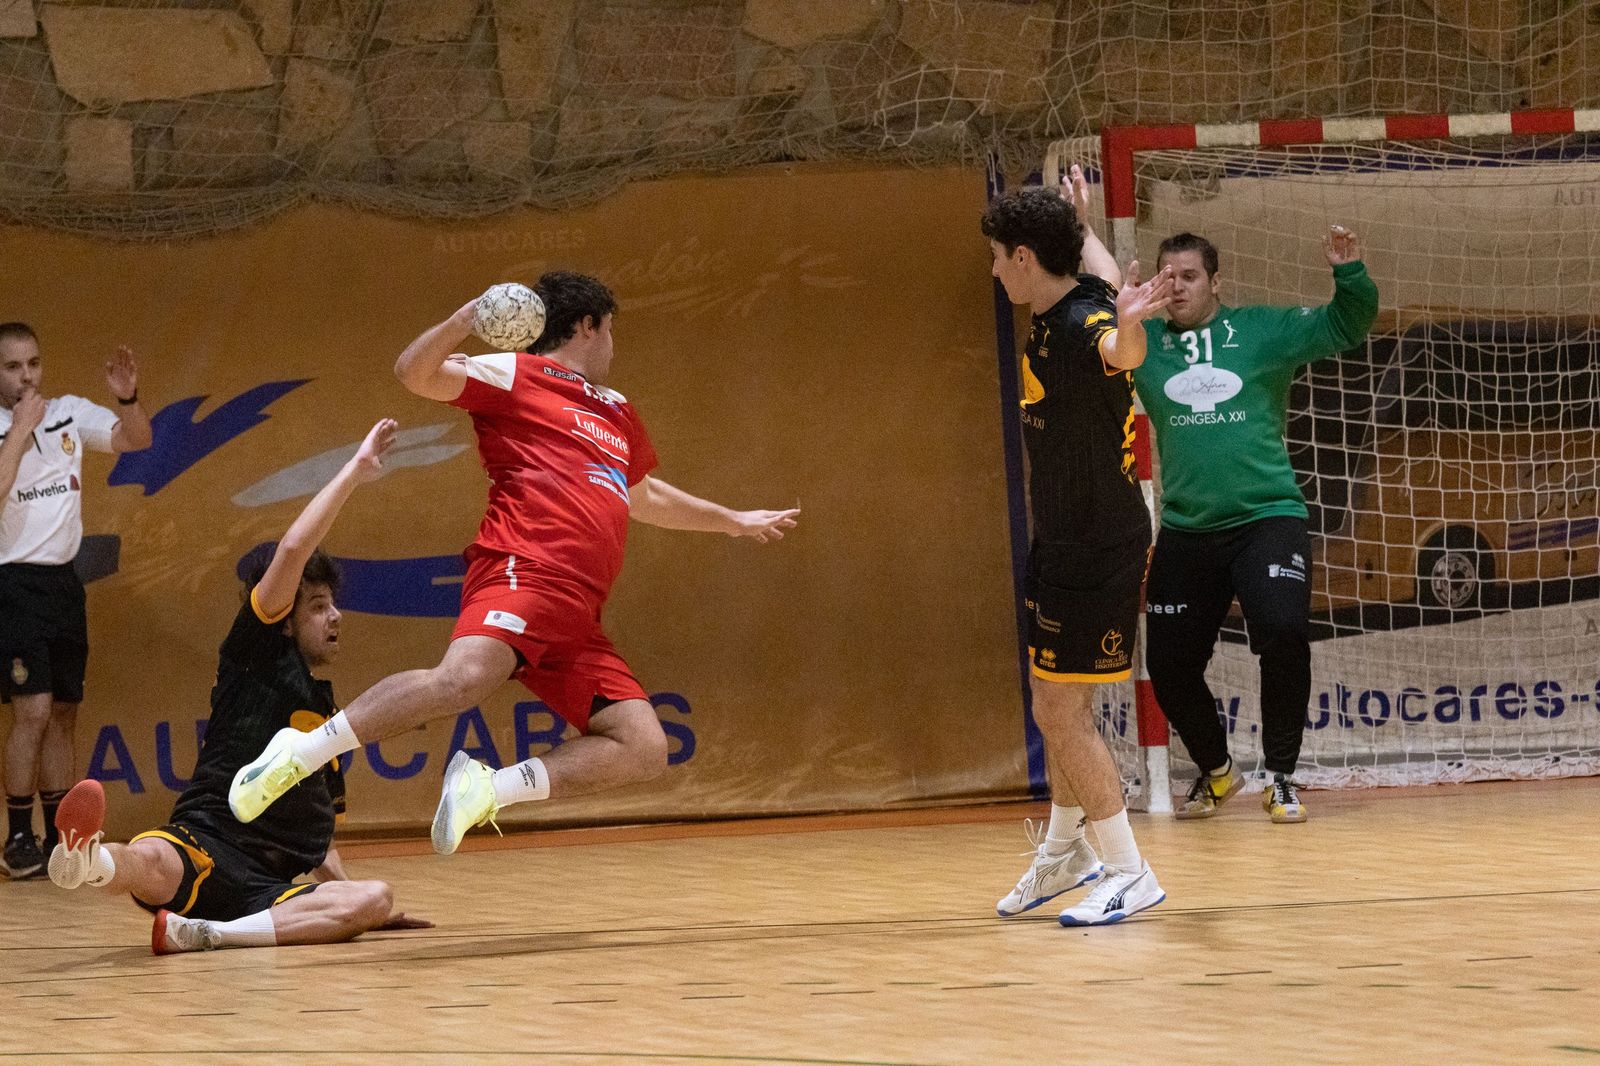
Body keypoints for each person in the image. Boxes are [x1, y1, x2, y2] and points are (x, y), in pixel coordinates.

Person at [228, 271, 800, 854]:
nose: (612, 348)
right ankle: (301, 753)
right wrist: (463, 322)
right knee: (462, 679)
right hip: (523, 568)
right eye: (611, 333)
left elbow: (645, 496)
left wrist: (732, 519)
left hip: (578, 613)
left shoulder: (618, 411)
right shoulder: (516, 373)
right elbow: (414, 374)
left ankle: (491, 787)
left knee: (643, 746)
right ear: (588, 325)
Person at [48, 418, 429, 953]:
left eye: (334, 605)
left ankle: (208, 935)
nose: (336, 616)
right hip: (207, 842)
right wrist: (353, 472)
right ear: (286, 618)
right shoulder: (255, 653)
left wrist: (354, 911)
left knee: (375, 897)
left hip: (268, 891)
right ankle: (87, 862)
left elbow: (322, 843)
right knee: (152, 862)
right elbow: (294, 548)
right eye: (318, 606)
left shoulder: (328, 720)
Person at [981, 172, 1175, 926]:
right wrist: (1082, 222)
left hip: (1097, 541)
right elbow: (1097, 272)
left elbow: (1120, 352)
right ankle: (1067, 850)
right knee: (1055, 703)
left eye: (999, 257)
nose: (995, 272)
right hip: (1067, 537)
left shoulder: (1081, 328)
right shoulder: (1078, 292)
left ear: (1025, 258)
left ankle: (1129, 870)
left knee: (1061, 713)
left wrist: (1133, 326)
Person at [1133, 228, 1378, 822]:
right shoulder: (1141, 348)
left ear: (1217, 283)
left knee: (1282, 631)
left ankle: (1283, 775)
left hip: (1267, 518)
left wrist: (1350, 273)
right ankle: (1218, 773)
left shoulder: (1263, 331)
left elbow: (1346, 324)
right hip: (1188, 529)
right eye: (1166, 277)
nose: (1177, 286)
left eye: (1189, 276)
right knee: (1167, 664)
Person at [0, 324, 151, 880]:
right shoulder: (8, 424)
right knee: (31, 711)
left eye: (33, 364)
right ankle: (18, 839)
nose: (26, 376)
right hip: (12, 582)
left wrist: (127, 397)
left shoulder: (67, 411)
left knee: (63, 712)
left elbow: (136, 439)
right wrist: (19, 430)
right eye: (13, 367)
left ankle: (62, 841)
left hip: (64, 583)